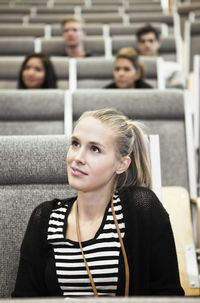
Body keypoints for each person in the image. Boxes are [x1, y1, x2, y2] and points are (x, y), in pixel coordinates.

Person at [12, 108, 184, 297]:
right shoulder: (45, 217)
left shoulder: (141, 207)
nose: (77, 158)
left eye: (95, 149)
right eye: (75, 144)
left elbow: (169, 295)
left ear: (122, 165)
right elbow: (25, 298)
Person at [136, 24, 185, 89]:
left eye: (151, 41)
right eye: (143, 41)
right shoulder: (130, 68)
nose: (147, 45)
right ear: (138, 45)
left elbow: (177, 88)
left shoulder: (173, 68)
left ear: (158, 43)